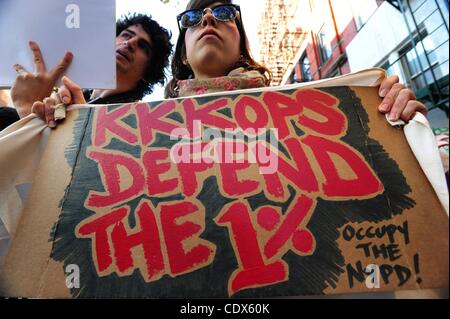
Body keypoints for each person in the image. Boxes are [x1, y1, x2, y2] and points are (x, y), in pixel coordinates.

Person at [5, 13, 172, 128]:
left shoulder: (136, 120)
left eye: (143, 46)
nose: (130, 43)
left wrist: (28, 111)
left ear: (150, 70)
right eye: (126, 35)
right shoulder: (65, 95)